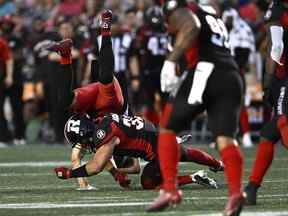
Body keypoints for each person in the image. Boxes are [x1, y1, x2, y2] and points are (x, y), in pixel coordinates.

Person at [147, 1, 244, 215]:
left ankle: (170, 190)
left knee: (167, 127)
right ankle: (236, 193)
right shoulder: (209, 9)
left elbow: (191, 27)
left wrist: (170, 61)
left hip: (205, 72)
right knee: (225, 139)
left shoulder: (181, 6)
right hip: (232, 74)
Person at [46, 10, 131, 189]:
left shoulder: (109, 143)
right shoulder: (114, 140)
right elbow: (97, 157)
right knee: (104, 79)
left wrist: (116, 174)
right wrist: (117, 174)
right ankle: (100, 32)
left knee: (65, 102)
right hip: (112, 106)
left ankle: (70, 53)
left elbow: (87, 158)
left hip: (99, 109)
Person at [54, 112, 224, 190]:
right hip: (161, 136)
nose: (83, 145)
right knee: (185, 154)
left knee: (148, 183)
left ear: (85, 134)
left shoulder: (103, 134)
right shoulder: (103, 120)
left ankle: (194, 177)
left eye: (81, 141)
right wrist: (116, 174)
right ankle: (218, 164)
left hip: (159, 149)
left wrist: (70, 174)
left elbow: (97, 165)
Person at [244, 0, 288, 205]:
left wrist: (269, 80)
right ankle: (252, 187)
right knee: (268, 135)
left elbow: (276, 45)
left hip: (284, 76)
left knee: (282, 120)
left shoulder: (277, 9)